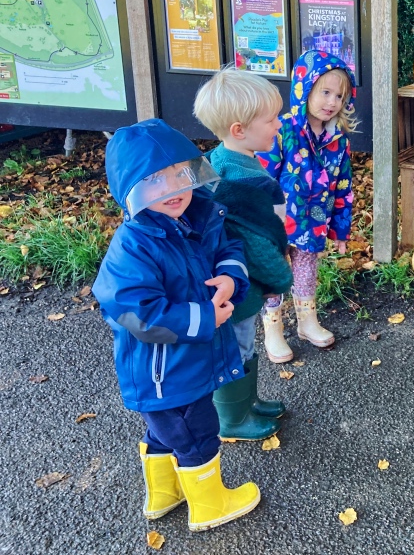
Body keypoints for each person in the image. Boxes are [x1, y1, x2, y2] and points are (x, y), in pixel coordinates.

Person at [92, 119, 260, 531]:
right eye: (154, 181)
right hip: (164, 370)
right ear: (130, 191)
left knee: (166, 433)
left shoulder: (198, 216)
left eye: (180, 175)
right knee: (195, 431)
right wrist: (206, 318)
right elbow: (137, 312)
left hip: (183, 362)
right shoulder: (133, 245)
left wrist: (230, 277)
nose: (173, 190)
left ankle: (164, 494)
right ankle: (209, 504)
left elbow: (227, 247)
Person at [194, 69, 293, 437]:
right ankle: (232, 420)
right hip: (238, 284)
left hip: (230, 280)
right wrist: (280, 278)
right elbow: (254, 241)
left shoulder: (219, 160)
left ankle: (247, 404)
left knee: (243, 344)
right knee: (235, 347)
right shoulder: (241, 181)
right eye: (270, 119)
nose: (278, 125)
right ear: (239, 130)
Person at [257, 49, 357, 362]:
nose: (331, 102)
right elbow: (264, 174)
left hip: (312, 221)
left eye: (339, 96)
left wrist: (340, 228)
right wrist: (256, 217)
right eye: (324, 92)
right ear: (305, 90)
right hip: (276, 220)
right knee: (274, 272)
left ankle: (307, 321)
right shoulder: (283, 130)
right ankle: (273, 327)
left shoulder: (338, 140)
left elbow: (343, 186)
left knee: (305, 269)